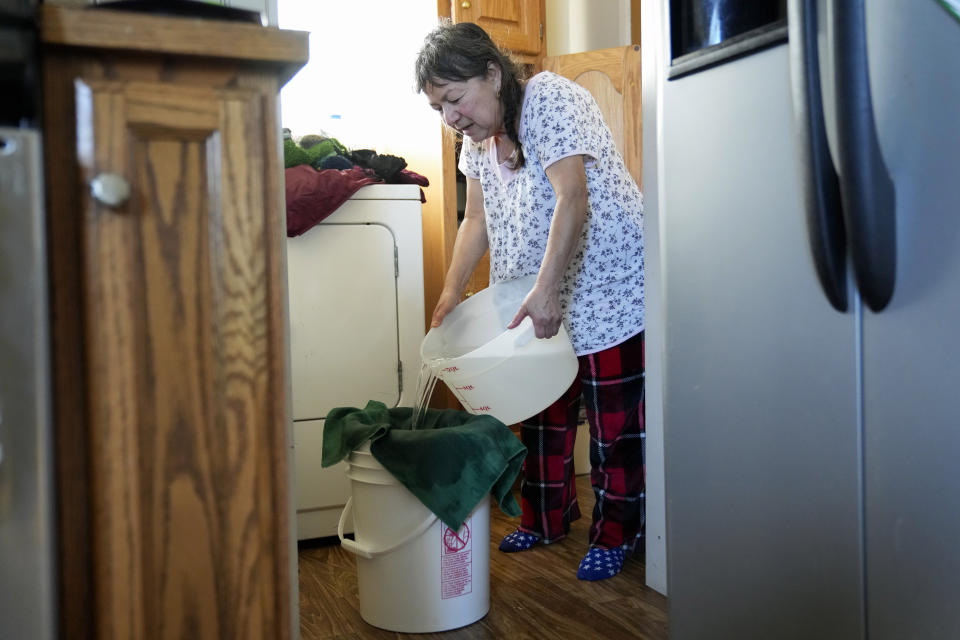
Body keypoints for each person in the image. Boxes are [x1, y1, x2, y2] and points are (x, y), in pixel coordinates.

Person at [415, 21, 645, 582]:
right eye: (438, 108)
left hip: (607, 285)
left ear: (492, 73)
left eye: (455, 98)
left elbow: (573, 198)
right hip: (538, 287)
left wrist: (546, 292)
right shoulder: (476, 140)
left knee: (614, 426)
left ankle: (617, 533)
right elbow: (476, 218)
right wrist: (449, 294)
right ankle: (547, 518)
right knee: (542, 411)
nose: (451, 118)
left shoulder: (551, 99)